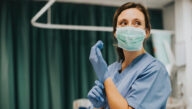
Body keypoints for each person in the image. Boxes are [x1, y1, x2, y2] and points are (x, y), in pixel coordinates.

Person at [88, 2, 171, 109]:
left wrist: (105, 78)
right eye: (123, 23)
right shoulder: (111, 70)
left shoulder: (155, 70)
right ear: (115, 32)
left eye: (137, 23)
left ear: (147, 31)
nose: (130, 28)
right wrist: (98, 106)